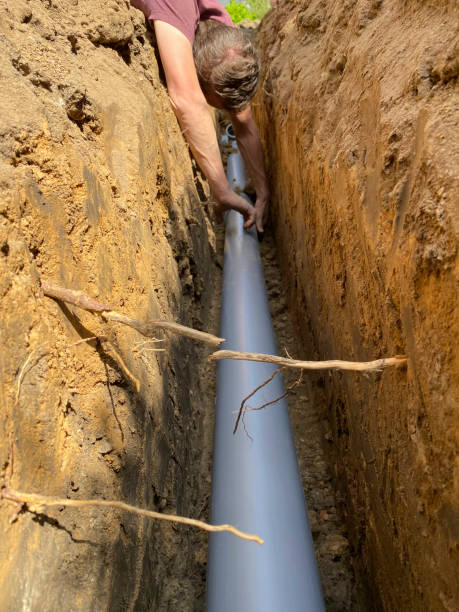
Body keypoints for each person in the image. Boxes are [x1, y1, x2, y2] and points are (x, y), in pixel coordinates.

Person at [130, 0, 269, 232]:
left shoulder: (223, 33)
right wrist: (222, 190)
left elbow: (243, 120)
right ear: (195, 71)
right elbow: (187, 100)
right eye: (213, 104)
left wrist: (263, 192)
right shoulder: (175, 6)